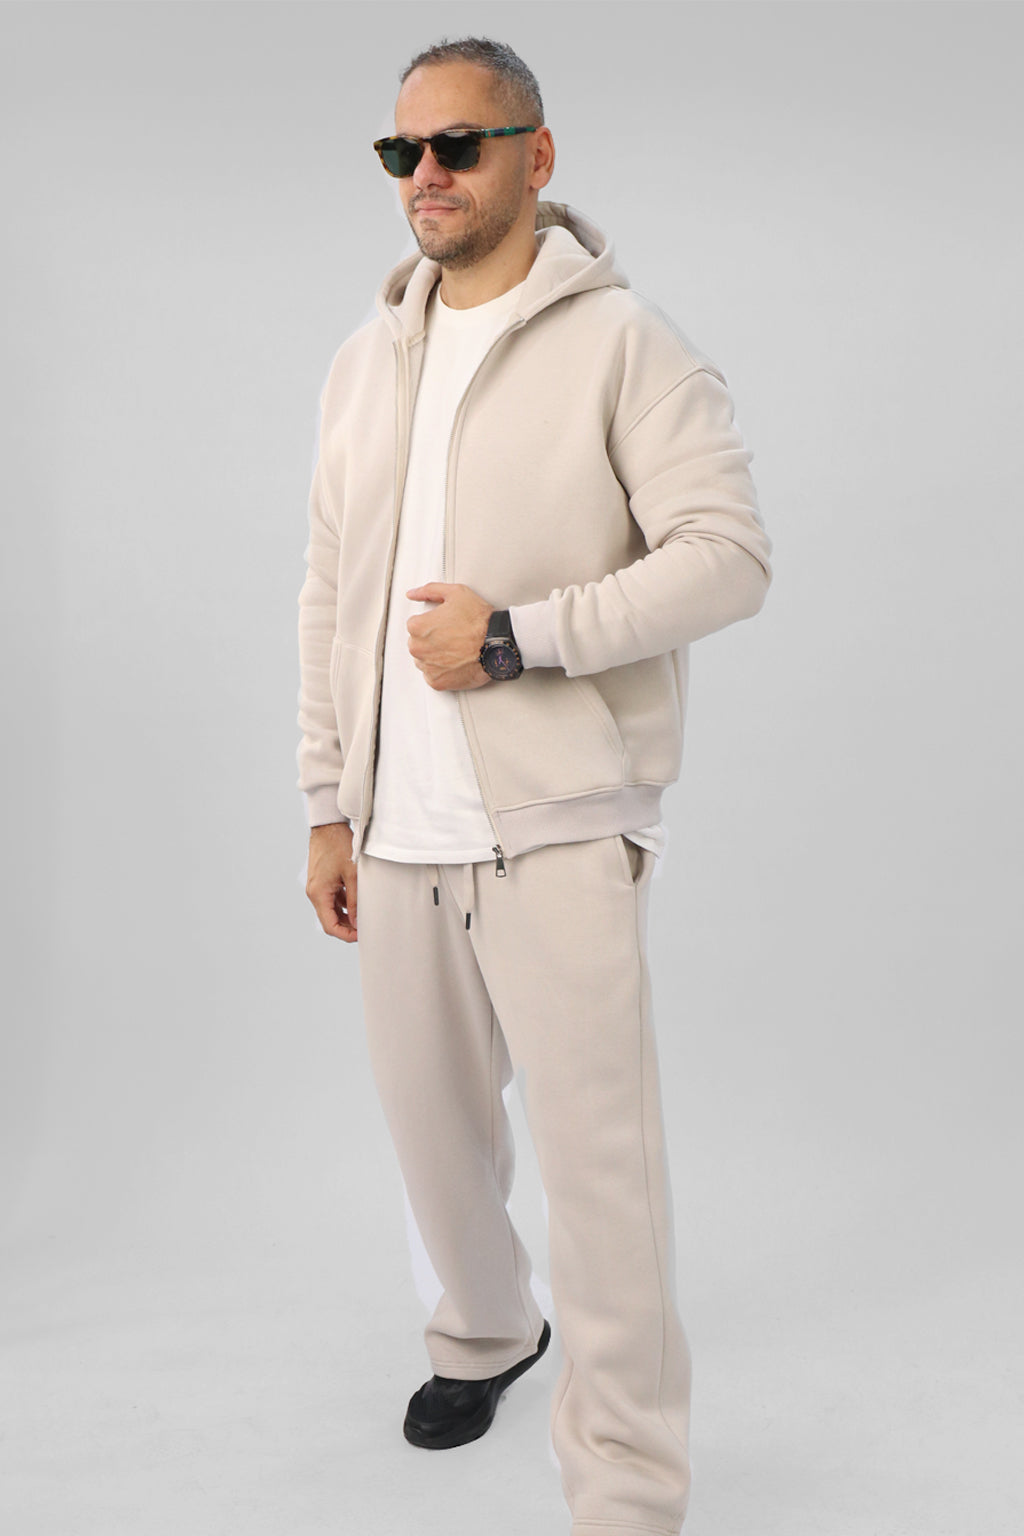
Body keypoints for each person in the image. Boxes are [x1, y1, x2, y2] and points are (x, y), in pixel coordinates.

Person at [297, 35, 772, 1536]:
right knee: (435, 1144)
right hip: (397, 832)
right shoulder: (366, 361)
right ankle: (491, 1334)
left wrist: (518, 639)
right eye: (404, 152)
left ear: (537, 157)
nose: (426, 176)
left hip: (561, 830)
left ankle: (626, 1489)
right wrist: (328, 802)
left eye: (460, 145)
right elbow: (331, 593)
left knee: (600, 1177)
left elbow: (728, 558)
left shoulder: (626, 343)